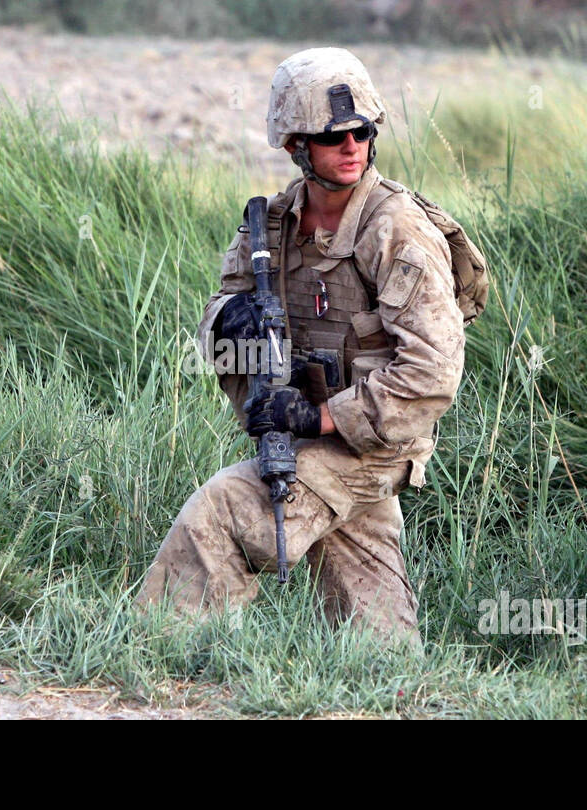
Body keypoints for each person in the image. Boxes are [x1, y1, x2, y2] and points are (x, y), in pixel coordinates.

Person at [134, 47, 467, 650]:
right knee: (373, 630)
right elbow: (223, 314)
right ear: (295, 146)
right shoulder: (273, 227)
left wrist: (317, 417)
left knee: (226, 514)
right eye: (331, 135)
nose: (351, 147)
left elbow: (432, 373)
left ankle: (153, 659)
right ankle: (391, 685)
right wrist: (225, 321)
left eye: (361, 132)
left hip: (371, 443)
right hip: (313, 441)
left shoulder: (397, 230)